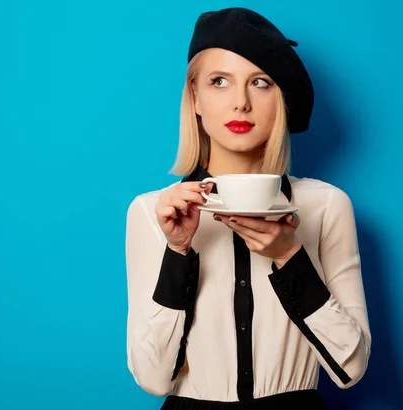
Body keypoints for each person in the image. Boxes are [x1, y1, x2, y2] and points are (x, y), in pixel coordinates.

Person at [125, 7, 371, 409]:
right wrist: (178, 252)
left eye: (260, 83)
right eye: (219, 82)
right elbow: (153, 378)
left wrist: (289, 256)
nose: (241, 102)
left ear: (281, 100)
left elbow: (351, 367)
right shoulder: (153, 212)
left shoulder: (326, 206)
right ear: (196, 98)